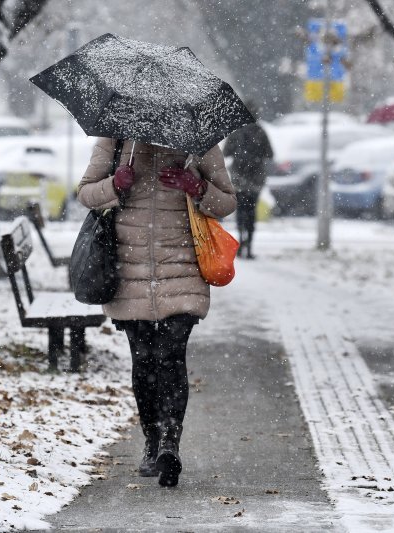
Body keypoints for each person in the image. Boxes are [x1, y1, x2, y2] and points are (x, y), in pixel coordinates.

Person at [77, 139, 236, 487]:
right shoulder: (116, 138)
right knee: (145, 360)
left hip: (182, 273)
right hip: (129, 274)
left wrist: (196, 188)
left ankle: (170, 444)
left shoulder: (197, 138)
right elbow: (85, 193)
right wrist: (115, 185)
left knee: (171, 356)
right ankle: (151, 442)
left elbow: (226, 202)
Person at [223, 106, 273, 259]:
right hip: (255, 179)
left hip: (239, 178)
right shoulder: (260, 131)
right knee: (251, 210)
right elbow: (270, 154)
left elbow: (226, 152)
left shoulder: (236, 131)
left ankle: (239, 241)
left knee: (241, 210)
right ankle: (250, 245)